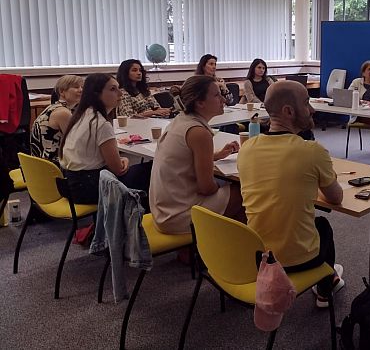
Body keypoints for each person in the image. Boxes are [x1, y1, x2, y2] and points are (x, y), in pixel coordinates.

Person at [238, 81, 344, 308]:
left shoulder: (247, 148)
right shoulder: (312, 151)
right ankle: (325, 289)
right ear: (288, 111)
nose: (313, 110)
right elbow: (336, 198)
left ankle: (331, 278)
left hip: (256, 256)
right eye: (307, 103)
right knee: (323, 225)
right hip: (295, 261)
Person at [149, 76, 245, 234]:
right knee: (245, 192)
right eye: (216, 95)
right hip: (178, 216)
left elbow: (184, 158)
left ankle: (221, 243)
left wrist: (217, 155)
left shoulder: (180, 121)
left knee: (227, 187)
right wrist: (220, 186)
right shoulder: (199, 132)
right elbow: (206, 188)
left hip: (162, 211)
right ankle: (229, 248)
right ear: (200, 103)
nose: (223, 99)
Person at [60, 74, 150, 204]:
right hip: (89, 188)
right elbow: (118, 170)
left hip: (71, 183)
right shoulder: (101, 124)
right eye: (113, 89)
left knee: (140, 171)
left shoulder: (81, 115)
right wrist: (123, 159)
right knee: (150, 170)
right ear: (97, 94)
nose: (120, 93)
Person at [30, 75, 84, 168]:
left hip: (40, 165)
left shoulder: (53, 107)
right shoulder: (63, 113)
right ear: (62, 92)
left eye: (82, 87)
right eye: (76, 87)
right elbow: (77, 143)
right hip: (52, 167)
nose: (81, 90)